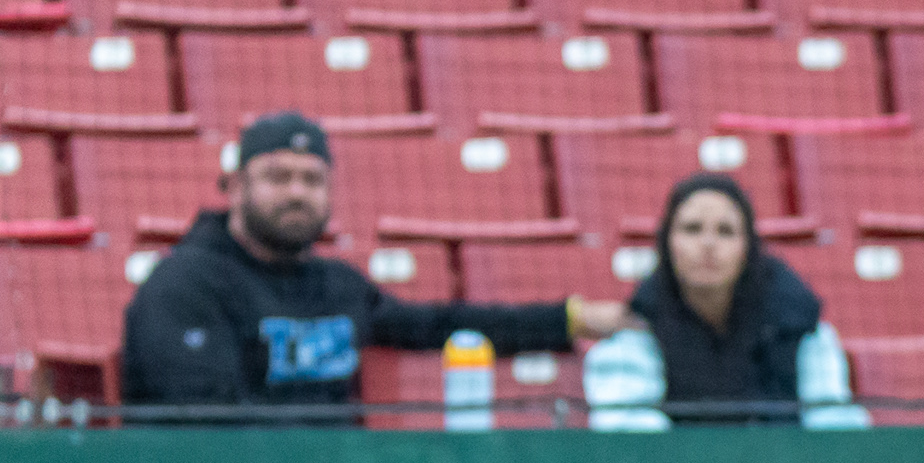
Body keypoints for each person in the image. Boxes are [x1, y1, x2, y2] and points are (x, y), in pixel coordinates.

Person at [117, 111, 630, 416]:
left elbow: (439, 326)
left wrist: (570, 318)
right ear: (233, 188)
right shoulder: (183, 285)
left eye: (312, 180)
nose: (296, 193)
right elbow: (207, 421)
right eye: (277, 176)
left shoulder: (337, 287)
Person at [582, 171, 859, 427]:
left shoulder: (801, 325)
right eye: (692, 229)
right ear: (667, 242)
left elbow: (834, 426)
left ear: (747, 246)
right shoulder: (638, 329)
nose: (708, 244)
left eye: (725, 231)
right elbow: (627, 433)